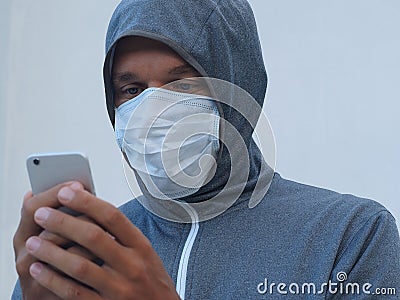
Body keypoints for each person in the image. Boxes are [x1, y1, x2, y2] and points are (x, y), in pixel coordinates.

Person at [12, 0, 400, 299]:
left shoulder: (350, 235)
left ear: (238, 89)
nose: (151, 110)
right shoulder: (94, 252)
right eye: (131, 90)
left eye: (183, 85)